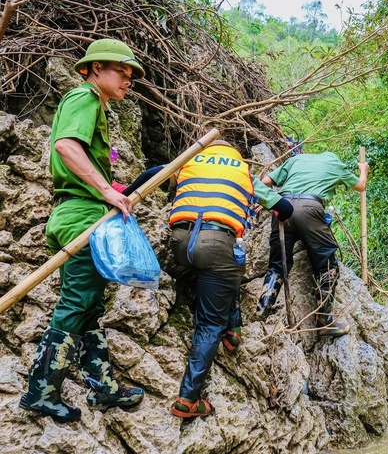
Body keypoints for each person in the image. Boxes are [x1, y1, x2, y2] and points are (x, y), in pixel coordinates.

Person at [20, 39, 147, 422]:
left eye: (130, 76)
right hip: (81, 217)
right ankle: (40, 392)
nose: (128, 81)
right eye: (121, 73)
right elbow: (65, 147)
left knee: (89, 307)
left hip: (83, 213)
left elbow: (84, 160)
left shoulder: (97, 106)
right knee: (76, 304)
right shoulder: (84, 98)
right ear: (93, 69)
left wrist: (114, 190)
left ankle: (104, 389)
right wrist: (107, 190)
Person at [168, 140, 293, 418]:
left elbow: (150, 176)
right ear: (234, 154)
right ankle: (188, 399)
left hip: (179, 241)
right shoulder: (242, 173)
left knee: (226, 271)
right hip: (216, 244)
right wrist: (276, 211)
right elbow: (284, 207)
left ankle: (233, 330)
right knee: (210, 321)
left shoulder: (190, 162)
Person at [256, 151, 369, 337]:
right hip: (310, 208)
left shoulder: (294, 160)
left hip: (281, 205)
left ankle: (263, 308)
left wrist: (265, 200)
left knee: (277, 264)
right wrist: (363, 170)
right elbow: (361, 186)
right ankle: (324, 321)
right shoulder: (335, 164)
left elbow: (266, 182)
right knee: (327, 266)